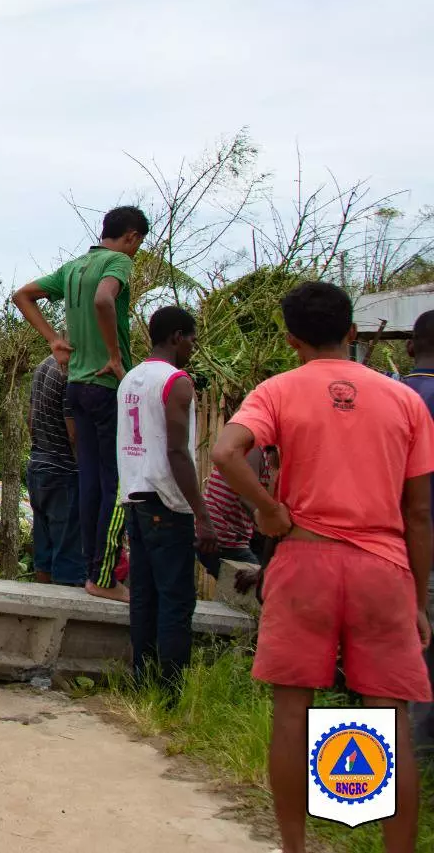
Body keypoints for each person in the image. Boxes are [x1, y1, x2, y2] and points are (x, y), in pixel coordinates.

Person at [211, 282, 432, 853]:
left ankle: (294, 847)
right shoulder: (404, 400)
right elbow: (420, 512)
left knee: (293, 712)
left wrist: (269, 511)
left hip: (304, 561)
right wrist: (419, 598)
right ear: (353, 332)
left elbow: (225, 452)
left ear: (290, 340)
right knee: (390, 720)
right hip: (383, 568)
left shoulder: (277, 391)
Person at [13, 205, 150, 603]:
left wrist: (54, 340)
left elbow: (22, 295)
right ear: (131, 237)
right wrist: (114, 355)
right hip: (106, 385)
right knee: (115, 482)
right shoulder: (117, 263)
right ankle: (103, 576)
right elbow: (106, 301)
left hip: (76, 385)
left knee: (90, 480)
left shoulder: (73, 267)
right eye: (138, 245)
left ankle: (94, 571)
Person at [117, 306, 216, 692]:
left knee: (144, 595)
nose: (193, 346)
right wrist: (201, 514)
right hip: (166, 501)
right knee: (176, 600)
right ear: (177, 337)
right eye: (191, 338)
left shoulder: (130, 380)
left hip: (134, 499)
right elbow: (178, 452)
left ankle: (143, 681)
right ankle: (171, 691)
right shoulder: (176, 382)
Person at [401, 309, 434, 754]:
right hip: (421, 537)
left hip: (392, 548)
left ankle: (410, 757)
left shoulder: (390, 396)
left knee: (409, 661)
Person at [26, 354, 84, 586]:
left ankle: (42, 614)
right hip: (63, 471)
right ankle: (66, 618)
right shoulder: (69, 373)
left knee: (44, 552)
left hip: (38, 465)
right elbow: (73, 434)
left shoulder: (43, 365)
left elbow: (30, 420)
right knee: (68, 555)